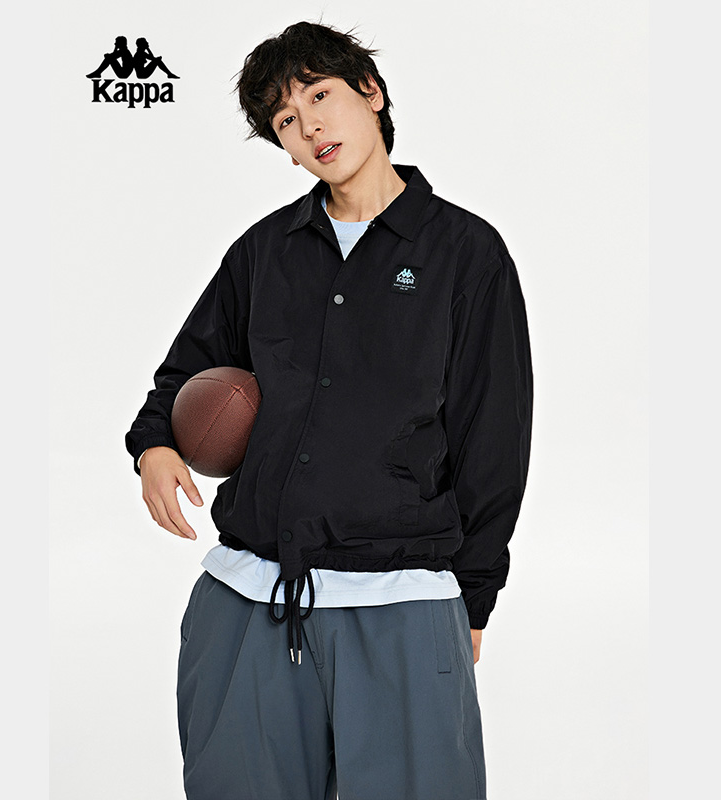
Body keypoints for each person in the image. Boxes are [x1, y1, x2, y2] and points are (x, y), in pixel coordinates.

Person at [124, 20, 533, 800]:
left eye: (319, 95)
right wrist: (155, 446)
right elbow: (184, 377)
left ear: (370, 93)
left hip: (402, 605)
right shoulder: (264, 251)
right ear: (284, 148)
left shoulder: (466, 253)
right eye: (285, 119)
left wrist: (474, 597)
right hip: (246, 603)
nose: (309, 125)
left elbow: (494, 441)